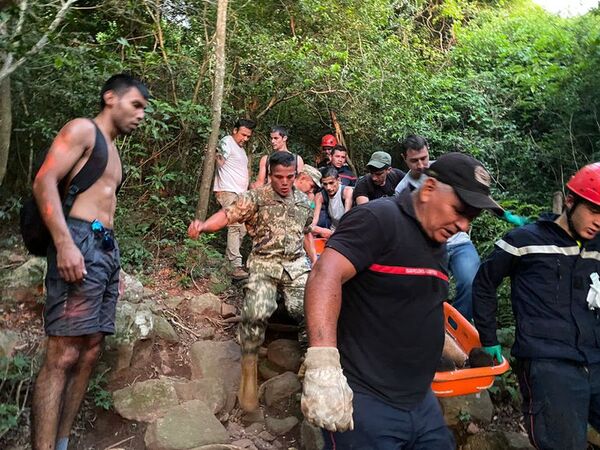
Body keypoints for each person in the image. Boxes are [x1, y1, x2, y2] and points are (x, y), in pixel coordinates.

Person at [301, 153, 502, 448]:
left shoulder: (438, 246)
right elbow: (323, 275)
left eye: (471, 218)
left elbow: (425, 310)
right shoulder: (379, 218)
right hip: (367, 401)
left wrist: (462, 359)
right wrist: (323, 364)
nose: (463, 225)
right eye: (459, 210)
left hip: (421, 401)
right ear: (430, 188)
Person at [30, 74, 149, 450]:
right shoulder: (83, 130)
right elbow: (44, 181)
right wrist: (64, 243)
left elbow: (105, 209)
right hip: (77, 240)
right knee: (62, 353)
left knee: (92, 347)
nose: (141, 115)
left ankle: (63, 442)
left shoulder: (113, 151)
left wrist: (115, 265)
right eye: (136, 105)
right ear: (110, 97)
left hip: (103, 249)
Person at [472, 163, 600, 450]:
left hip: (594, 356)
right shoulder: (525, 241)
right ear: (570, 201)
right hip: (548, 362)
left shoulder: (597, 247)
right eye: (594, 210)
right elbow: (484, 283)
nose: (599, 221)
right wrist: (489, 337)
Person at [188, 151, 317, 412]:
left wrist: (316, 262)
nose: (284, 182)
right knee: (255, 312)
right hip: (264, 264)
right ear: (270, 174)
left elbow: (306, 234)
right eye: (279, 177)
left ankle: (310, 367)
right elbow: (226, 215)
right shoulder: (256, 198)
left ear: (296, 175)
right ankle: (249, 369)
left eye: (289, 177)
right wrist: (203, 226)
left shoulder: (304, 202)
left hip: (295, 266)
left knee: (311, 310)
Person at [395, 136, 480, 321]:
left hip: (458, 241)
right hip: (427, 246)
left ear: (428, 150)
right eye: (414, 161)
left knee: (472, 281)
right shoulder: (402, 189)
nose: (420, 165)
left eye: (424, 158)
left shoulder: (446, 171)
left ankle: (457, 327)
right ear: (404, 158)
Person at [214, 118, 256, 280]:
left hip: (240, 193)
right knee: (235, 225)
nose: (245, 139)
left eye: (248, 136)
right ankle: (235, 265)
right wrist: (213, 154)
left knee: (243, 228)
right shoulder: (227, 142)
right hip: (228, 191)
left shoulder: (241, 150)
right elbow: (219, 162)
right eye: (243, 135)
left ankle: (228, 262)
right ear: (235, 130)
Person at [312, 167, 353, 238]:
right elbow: (314, 222)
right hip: (332, 230)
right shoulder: (320, 196)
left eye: (331, 183)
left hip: (348, 229)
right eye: (325, 184)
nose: (328, 187)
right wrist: (320, 230)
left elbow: (347, 219)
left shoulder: (347, 191)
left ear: (338, 180)